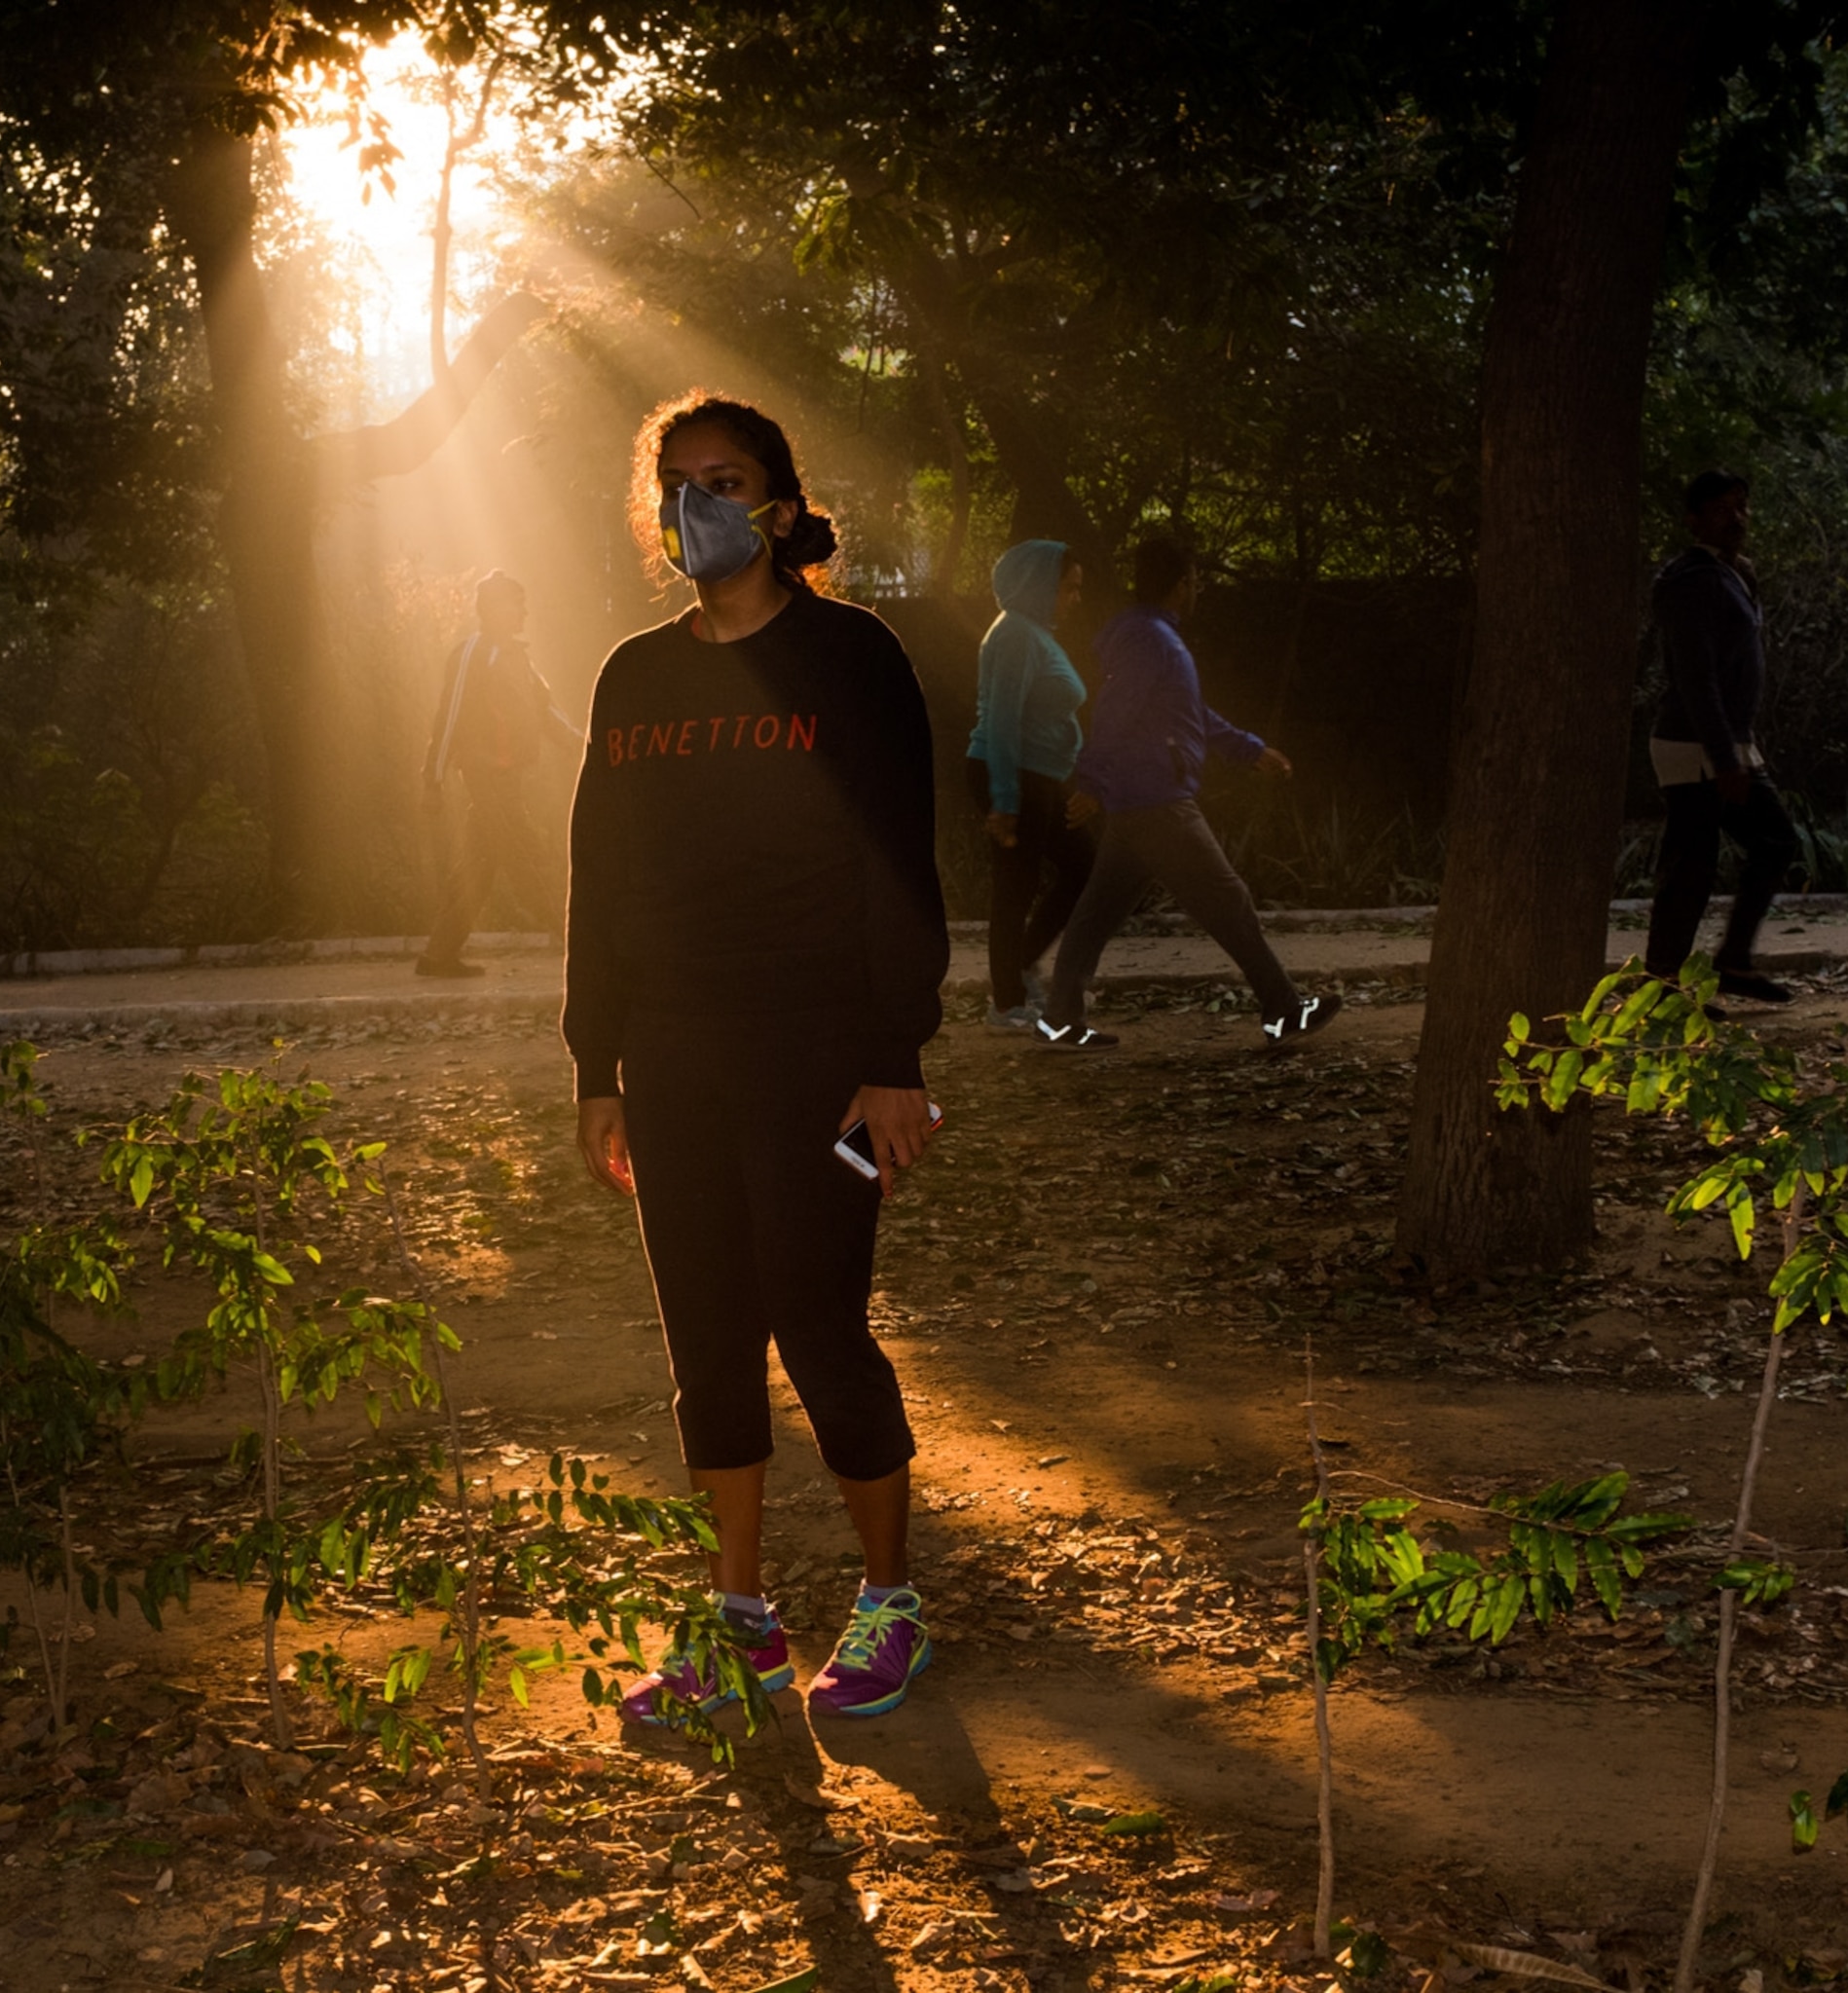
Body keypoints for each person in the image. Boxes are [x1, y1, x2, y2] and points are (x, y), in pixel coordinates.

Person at [566, 392, 946, 1723]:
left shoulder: (853, 660)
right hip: (672, 1059)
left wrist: (894, 1055)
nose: (697, 506)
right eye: (676, 484)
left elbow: (900, 859)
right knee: (709, 1341)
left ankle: (891, 1601)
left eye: (723, 481)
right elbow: (598, 879)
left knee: (821, 1320)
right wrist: (594, 1064)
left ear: (781, 506)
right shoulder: (637, 676)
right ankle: (740, 1624)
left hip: (822, 1058)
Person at [1035, 536, 1331, 1052]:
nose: (1198, 591)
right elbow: (1114, 713)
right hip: (1157, 800)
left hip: (1140, 800)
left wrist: (1249, 749)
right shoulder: (1152, 641)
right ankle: (1283, 1008)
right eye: (1195, 582)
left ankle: (1060, 1016)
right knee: (1228, 899)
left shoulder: (1152, 638)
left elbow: (1188, 715)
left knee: (1097, 911)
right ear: (1180, 586)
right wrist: (1092, 783)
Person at [1646, 469, 1796, 1004]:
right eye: (1719, 510)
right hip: (1695, 749)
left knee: (1774, 842)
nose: (1734, 518)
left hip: (1728, 744)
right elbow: (1695, 678)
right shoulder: (1690, 582)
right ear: (1693, 520)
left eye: (1740, 507)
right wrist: (1724, 757)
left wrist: (1736, 747)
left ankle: (1732, 961)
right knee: (1690, 865)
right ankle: (1662, 986)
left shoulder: (1735, 573)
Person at [418, 571, 580, 978]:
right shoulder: (473, 654)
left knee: (478, 867)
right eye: (516, 603)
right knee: (532, 863)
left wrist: (585, 745)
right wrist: (432, 781)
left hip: (508, 780)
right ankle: (582, 947)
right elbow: (448, 719)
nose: (523, 611)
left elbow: (547, 710)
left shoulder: (517, 657)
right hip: (487, 779)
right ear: (490, 609)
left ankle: (438, 956)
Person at [965, 539, 1095, 1029]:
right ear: (1042, 585)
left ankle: (1019, 973)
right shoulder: (1016, 634)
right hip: (1013, 771)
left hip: (1039, 774)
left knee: (1082, 864)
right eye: (1069, 588)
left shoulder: (1034, 633)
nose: (1075, 598)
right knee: (1015, 885)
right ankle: (1006, 1003)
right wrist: (1004, 799)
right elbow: (1002, 720)